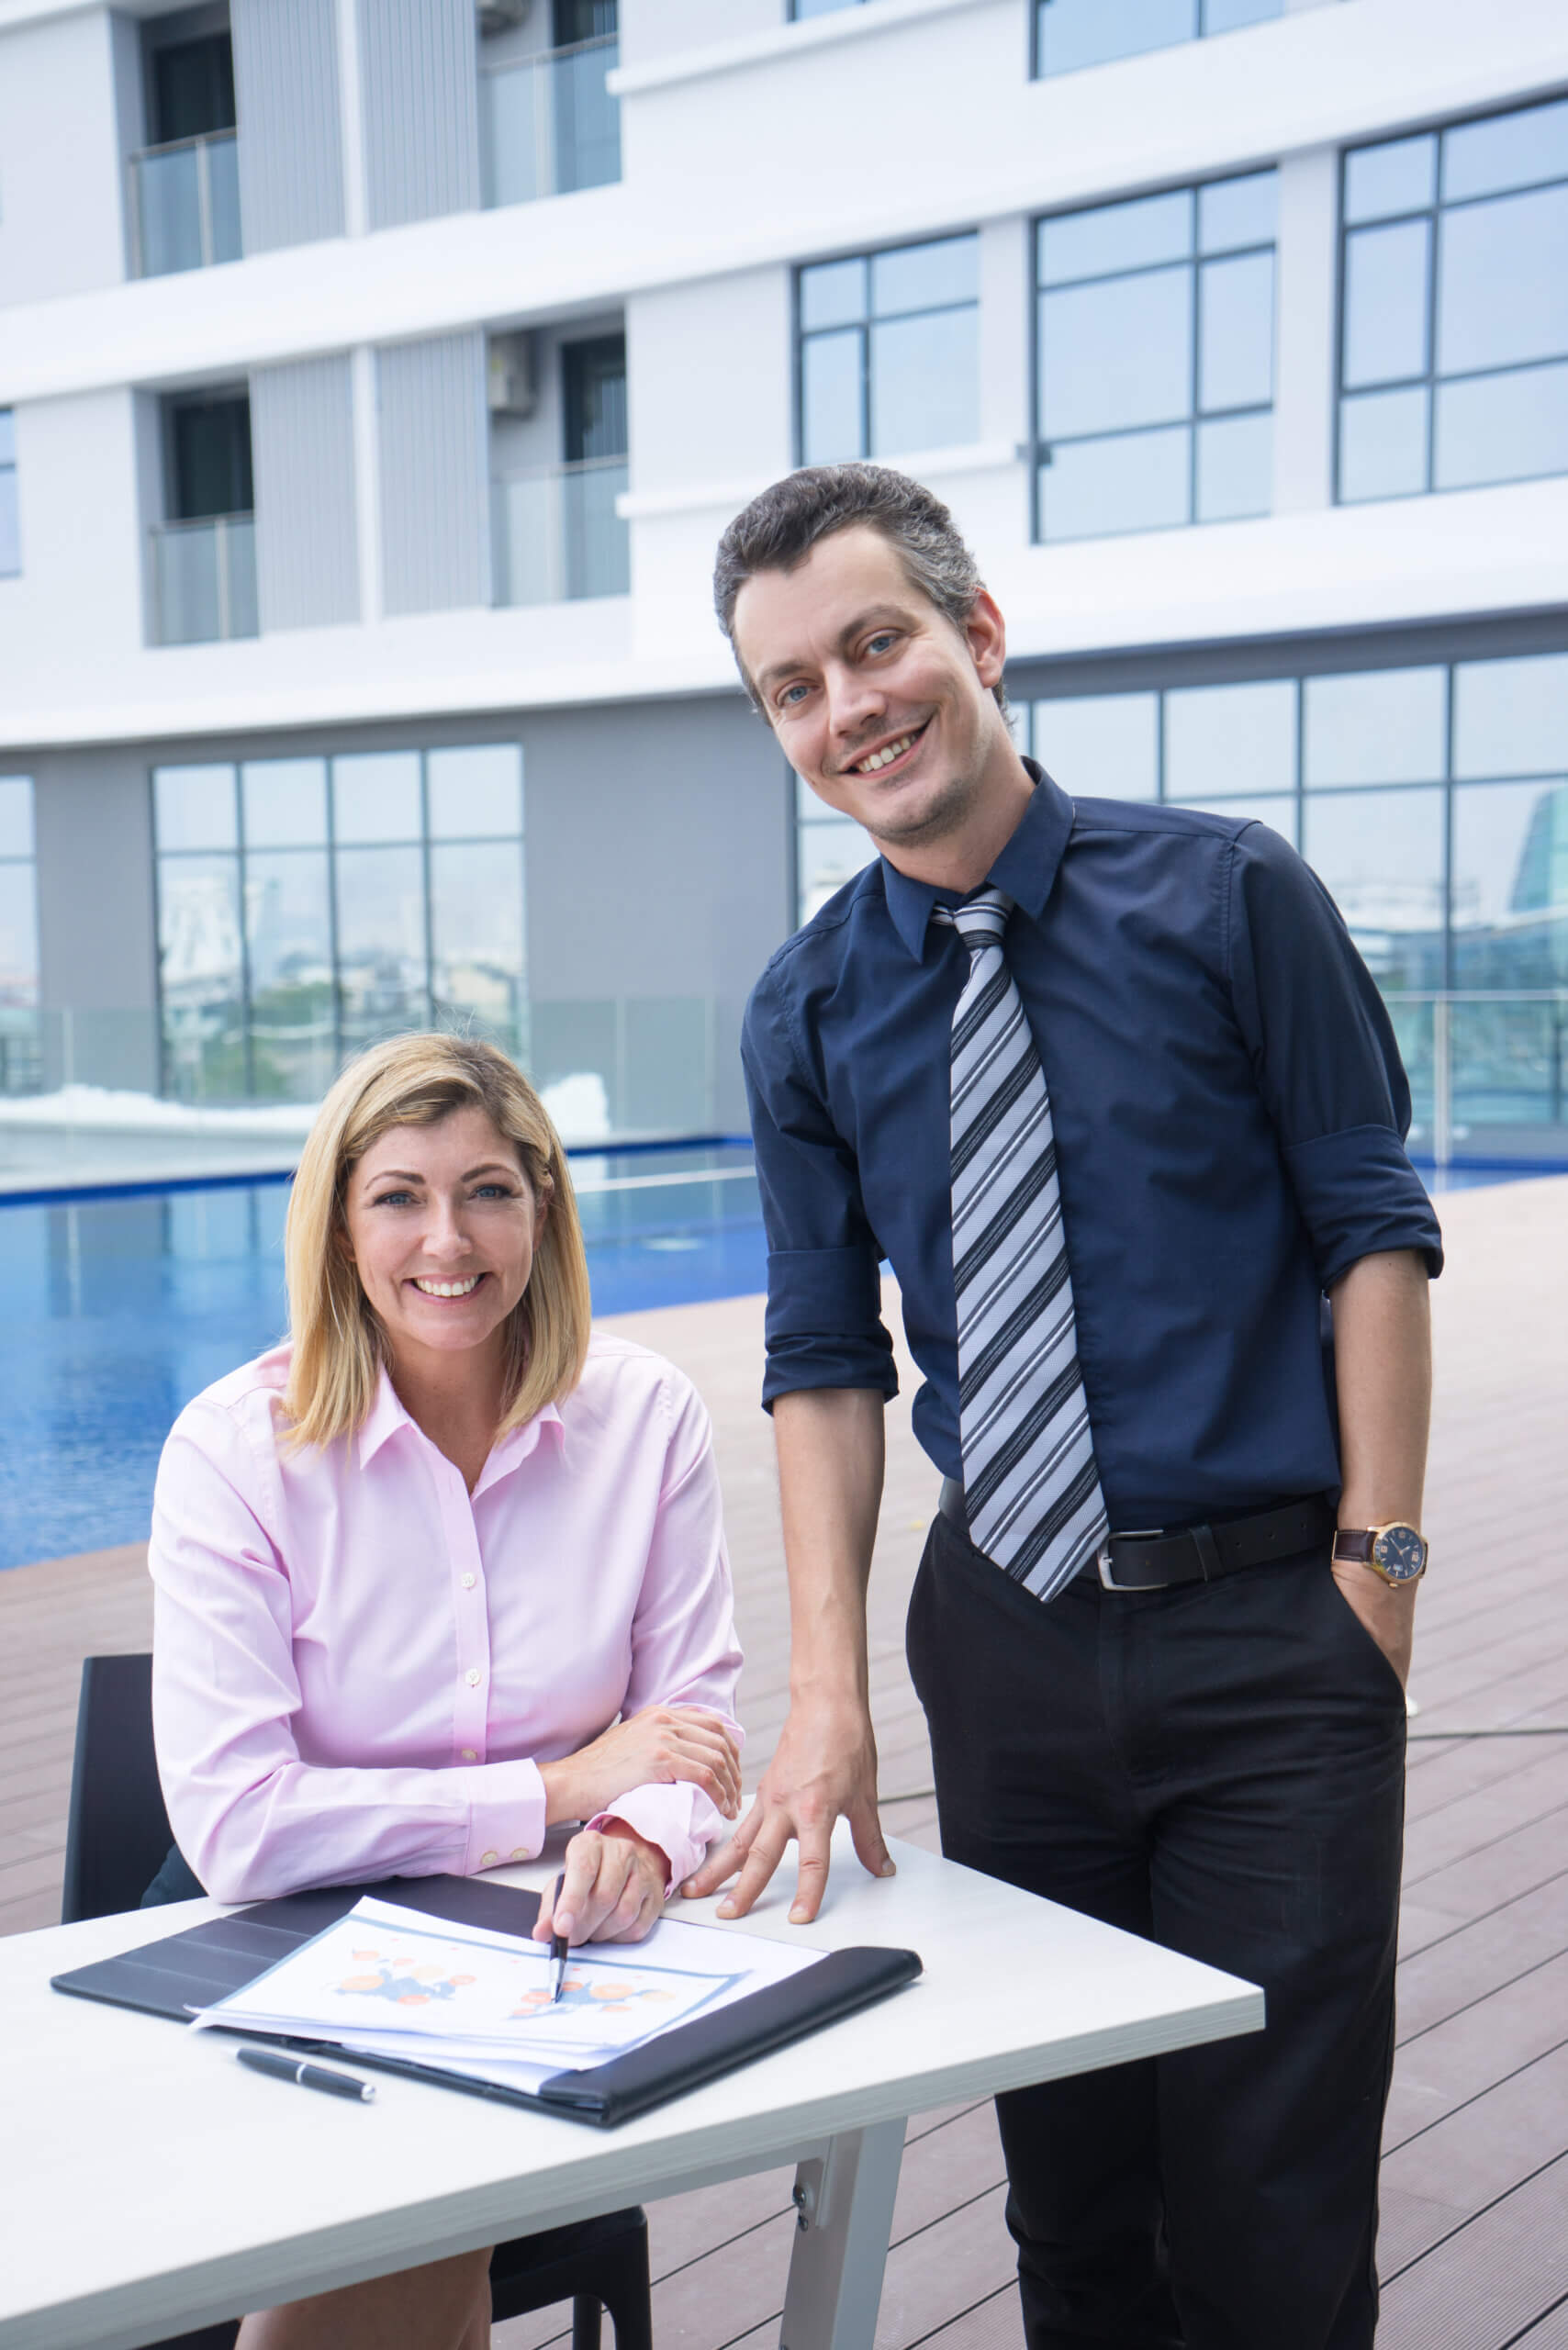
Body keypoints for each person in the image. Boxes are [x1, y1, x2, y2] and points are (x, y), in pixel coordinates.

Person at [684, 463, 1441, 2350]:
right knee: (1076, 2202)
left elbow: (1367, 1232)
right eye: (794, 684)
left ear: (975, 635)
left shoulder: (1227, 892)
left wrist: (1376, 1569)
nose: (847, 703)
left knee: (1269, 2214)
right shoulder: (805, 1009)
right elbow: (818, 1359)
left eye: (876, 643)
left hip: (1277, 1632)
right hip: (1006, 1645)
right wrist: (831, 1689)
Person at [150, 1032, 744, 2350]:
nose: (447, 1240)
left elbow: (694, 1728)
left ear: (543, 1206)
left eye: (487, 1189)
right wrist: (566, 1787)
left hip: (548, 1950)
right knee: (432, 2163)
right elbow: (242, 1828)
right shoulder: (235, 1452)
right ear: (340, 1225)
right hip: (277, 1942)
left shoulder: (643, 1419)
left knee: (442, 2161)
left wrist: (639, 1830)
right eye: (399, 1196)